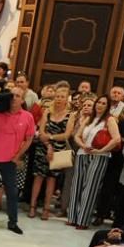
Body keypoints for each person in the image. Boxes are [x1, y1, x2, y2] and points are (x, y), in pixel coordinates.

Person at [0, 89, 35, 233]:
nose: (14, 98)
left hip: (10, 159)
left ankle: (13, 222)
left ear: (23, 100)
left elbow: (29, 139)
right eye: (12, 95)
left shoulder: (27, 116)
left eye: (17, 96)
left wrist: (18, 155)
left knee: (11, 192)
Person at [69, 95, 122, 229]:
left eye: (103, 103)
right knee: (77, 185)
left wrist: (101, 150)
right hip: (83, 153)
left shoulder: (110, 120)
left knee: (90, 187)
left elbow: (116, 139)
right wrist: (82, 145)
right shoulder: (89, 118)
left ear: (107, 106)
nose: (100, 105)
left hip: (99, 156)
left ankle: (82, 220)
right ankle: (73, 217)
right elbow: (77, 135)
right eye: (98, 102)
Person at [29, 83, 75, 219]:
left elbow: (66, 135)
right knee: (38, 177)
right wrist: (48, 144)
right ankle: (32, 206)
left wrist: (51, 138)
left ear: (67, 99)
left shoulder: (70, 115)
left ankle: (46, 209)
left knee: (51, 179)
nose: (60, 99)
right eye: (58, 96)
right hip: (43, 148)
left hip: (59, 150)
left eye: (62, 96)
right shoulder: (47, 111)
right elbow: (41, 132)